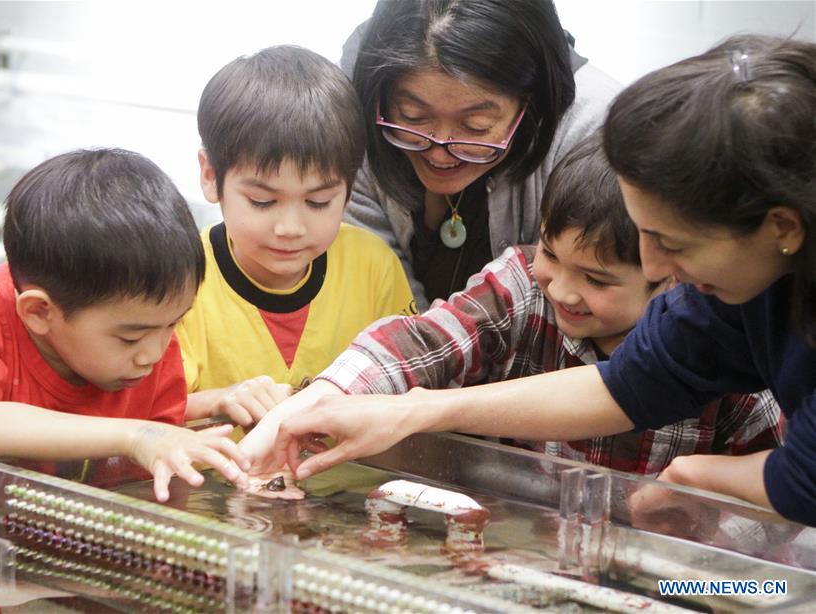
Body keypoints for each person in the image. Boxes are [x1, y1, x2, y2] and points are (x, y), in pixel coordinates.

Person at [246, 35, 815, 526]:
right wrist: (399, 409)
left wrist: (701, 489)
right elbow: (629, 383)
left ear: (782, 227)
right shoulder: (732, 295)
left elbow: (796, 502)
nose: (659, 269)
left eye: (673, 244)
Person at [241, 132, 783, 477]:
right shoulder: (520, 288)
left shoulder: (721, 347)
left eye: (596, 279)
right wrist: (304, 408)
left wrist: (701, 562)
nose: (563, 289)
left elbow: (772, 517)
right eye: (550, 252)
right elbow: (420, 342)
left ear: (669, 274)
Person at [0, 149, 250, 507]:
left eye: (174, 323)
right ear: (40, 312)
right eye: (130, 338)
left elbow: (155, 474)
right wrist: (136, 436)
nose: (154, 353)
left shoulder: (151, 333)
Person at [176, 45, 416, 425]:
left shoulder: (373, 266)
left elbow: (407, 385)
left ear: (350, 188)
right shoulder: (180, 276)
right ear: (210, 177)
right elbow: (137, 412)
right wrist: (218, 401)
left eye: (319, 202)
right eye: (262, 201)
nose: (290, 228)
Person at [340, 0, 622, 310]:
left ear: (532, 106)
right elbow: (374, 287)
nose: (440, 150)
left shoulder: (596, 133)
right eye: (413, 115)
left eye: (476, 126)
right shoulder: (350, 103)